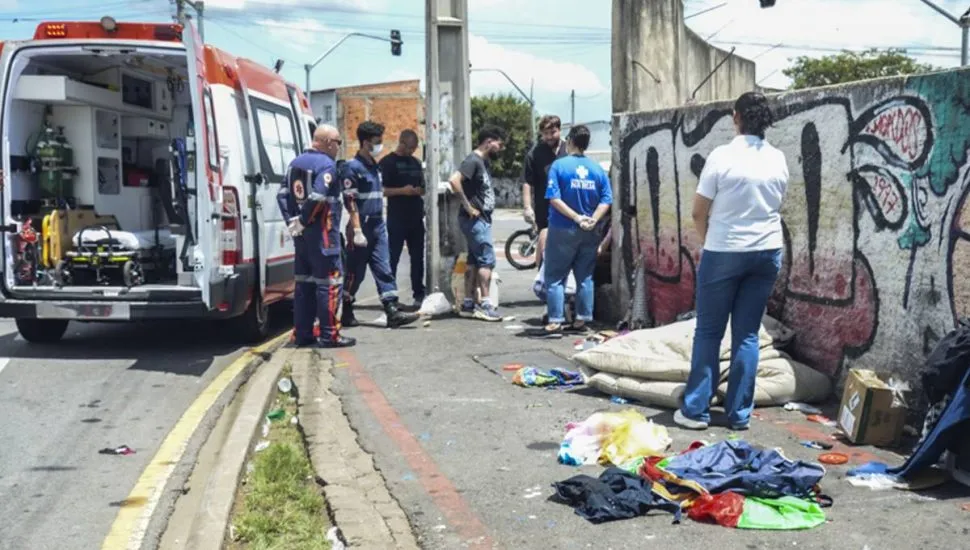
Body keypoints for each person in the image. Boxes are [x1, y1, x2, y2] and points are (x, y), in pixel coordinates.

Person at [673, 91, 789, 432]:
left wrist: (709, 240)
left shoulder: (722, 156)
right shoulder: (778, 158)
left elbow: (698, 211)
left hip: (724, 250)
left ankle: (696, 411)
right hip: (767, 251)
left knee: (709, 332)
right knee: (748, 334)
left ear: (736, 117)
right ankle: (739, 415)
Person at [277, 124, 355, 348]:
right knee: (329, 284)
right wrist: (303, 220)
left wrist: (293, 222)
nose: (339, 147)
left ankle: (303, 334)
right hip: (324, 236)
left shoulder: (294, 164)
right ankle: (330, 335)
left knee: (304, 284)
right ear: (328, 142)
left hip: (301, 238)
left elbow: (281, 195)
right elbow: (319, 196)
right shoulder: (326, 165)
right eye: (338, 142)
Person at [340, 121, 420, 329]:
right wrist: (357, 230)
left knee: (384, 268)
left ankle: (392, 310)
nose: (380, 145)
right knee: (355, 272)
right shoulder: (352, 168)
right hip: (362, 226)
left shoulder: (374, 166)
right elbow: (350, 201)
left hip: (377, 224)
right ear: (366, 143)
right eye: (377, 141)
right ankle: (345, 307)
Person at [542, 124, 612, 336]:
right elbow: (606, 200)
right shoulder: (597, 169)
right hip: (590, 231)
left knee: (555, 276)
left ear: (570, 141)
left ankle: (555, 321)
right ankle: (582, 320)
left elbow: (554, 198)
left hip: (562, 228)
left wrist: (576, 217)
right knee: (585, 276)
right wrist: (592, 220)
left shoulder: (559, 166)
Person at [449, 125, 505, 321]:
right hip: (476, 220)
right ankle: (486, 304)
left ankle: (468, 302)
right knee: (486, 260)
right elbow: (454, 181)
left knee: (474, 260)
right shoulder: (473, 161)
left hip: (480, 219)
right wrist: (468, 206)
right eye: (499, 144)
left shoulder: (483, 162)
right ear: (489, 142)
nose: (501, 149)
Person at [379, 129, 426, 311]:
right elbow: (381, 190)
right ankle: (390, 296)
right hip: (397, 217)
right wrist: (402, 191)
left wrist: (418, 191)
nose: (412, 151)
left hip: (415, 217)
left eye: (415, 148)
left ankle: (419, 294)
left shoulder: (415, 163)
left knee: (418, 258)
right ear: (402, 143)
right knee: (392, 258)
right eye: (410, 147)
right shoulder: (387, 163)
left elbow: (423, 186)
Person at [522, 115, 567, 269]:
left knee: (564, 252)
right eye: (545, 133)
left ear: (560, 130)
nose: (549, 137)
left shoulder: (568, 150)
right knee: (544, 246)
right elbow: (527, 181)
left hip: (568, 209)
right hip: (544, 209)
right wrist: (527, 207)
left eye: (552, 132)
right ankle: (543, 277)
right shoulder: (535, 153)